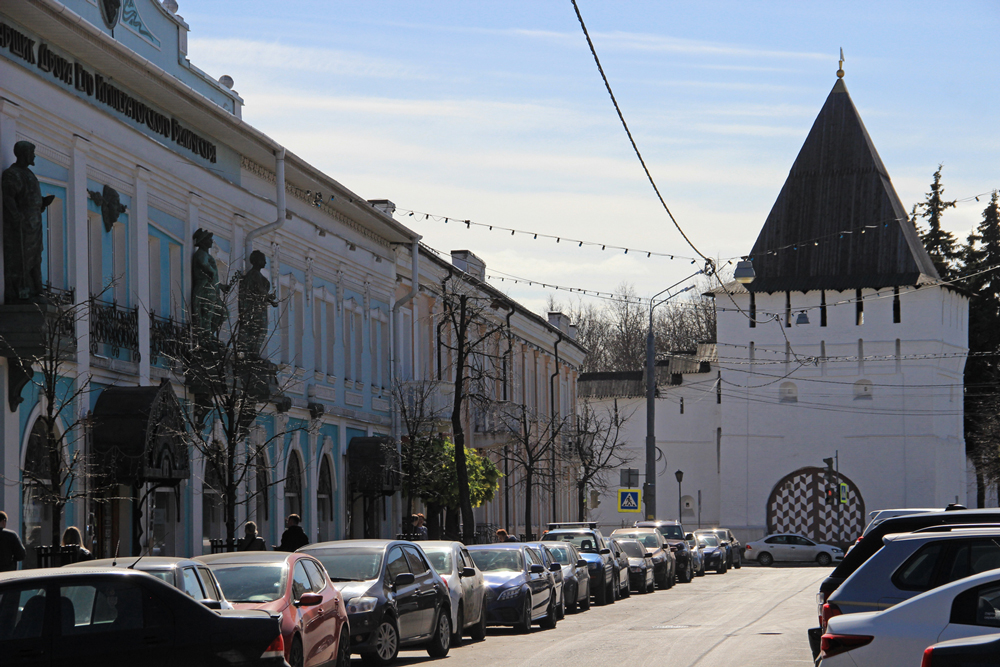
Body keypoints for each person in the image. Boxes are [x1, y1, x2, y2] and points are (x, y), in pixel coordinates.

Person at [2, 141, 55, 303]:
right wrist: (16, 215)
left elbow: (30, 196)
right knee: (22, 257)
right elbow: (9, 197)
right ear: (24, 154)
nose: (34, 156)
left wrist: (41, 203)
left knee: (36, 255)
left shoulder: (29, 174)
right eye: (32, 153)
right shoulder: (13, 174)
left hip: (35, 222)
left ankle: (38, 290)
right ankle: (20, 292)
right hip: (23, 223)